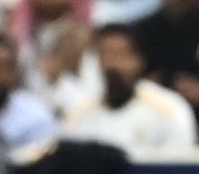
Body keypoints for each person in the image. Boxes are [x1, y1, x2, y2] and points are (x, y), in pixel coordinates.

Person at [62, 25, 197, 154]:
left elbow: (178, 168)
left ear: (139, 60)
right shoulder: (78, 115)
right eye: (104, 54)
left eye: (121, 54)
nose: (112, 64)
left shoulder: (169, 110)